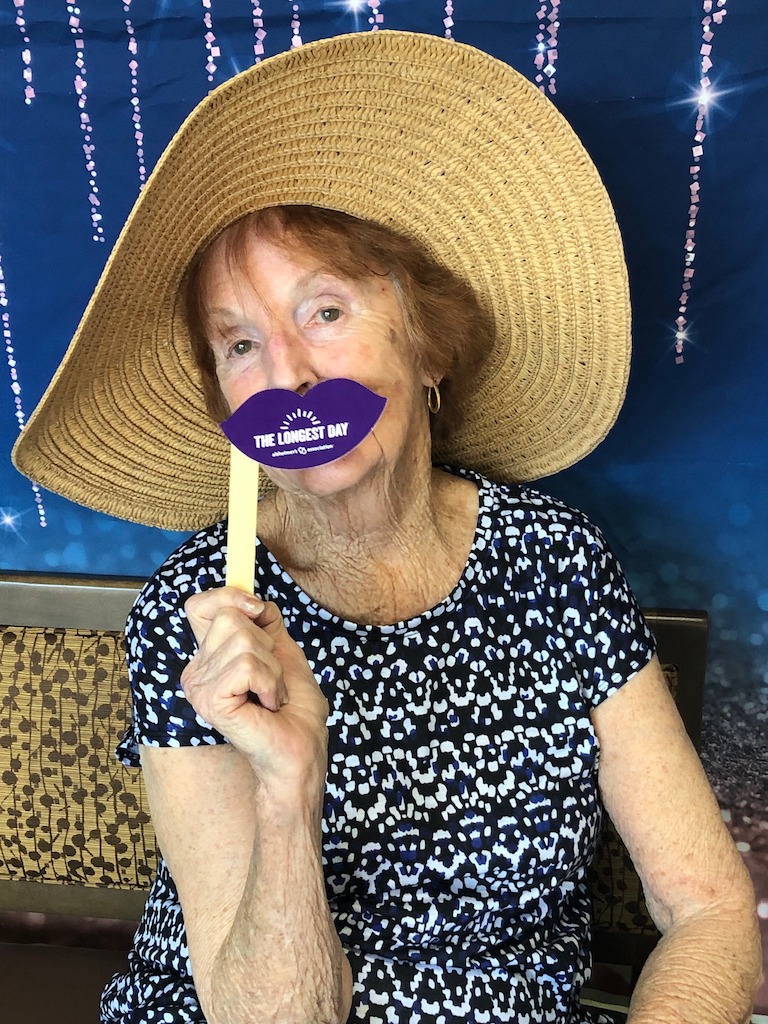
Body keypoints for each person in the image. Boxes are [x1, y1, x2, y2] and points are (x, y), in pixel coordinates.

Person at [13, 30, 760, 1024]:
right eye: (241, 342)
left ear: (428, 347)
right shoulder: (200, 618)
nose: (288, 371)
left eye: (323, 310)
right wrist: (289, 788)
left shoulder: (559, 562)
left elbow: (709, 907)